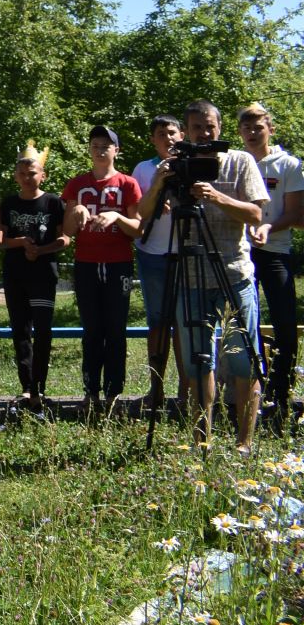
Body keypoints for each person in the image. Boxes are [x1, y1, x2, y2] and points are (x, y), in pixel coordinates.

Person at [134, 101, 269, 451]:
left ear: (219, 127)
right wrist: (160, 182)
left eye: (209, 126)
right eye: (196, 127)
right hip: (190, 276)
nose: (203, 133)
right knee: (197, 363)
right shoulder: (176, 165)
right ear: (187, 131)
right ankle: (201, 441)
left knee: (243, 361)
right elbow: (143, 214)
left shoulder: (240, 162)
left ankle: (244, 442)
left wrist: (216, 196)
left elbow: (256, 214)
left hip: (233, 272)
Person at [61, 126, 142, 414]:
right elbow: (67, 231)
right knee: (92, 330)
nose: (100, 149)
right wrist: (76, 211)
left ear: (116, 150)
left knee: (115, 329)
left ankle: (114, 394)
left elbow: (138, 229)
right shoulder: (77, 184)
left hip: (118, 263)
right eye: (95, 144)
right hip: (86, 264)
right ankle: (90, 392)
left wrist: (116, 216)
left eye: (106, 145)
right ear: (89, 149)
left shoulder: (127, 184)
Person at [0, 142, 72, 416]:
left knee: (43, 331)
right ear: (16, 176)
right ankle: (26, 386)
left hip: (43, 275)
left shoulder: (53, 202)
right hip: (15, 275)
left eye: (33, 173)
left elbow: (65, 238)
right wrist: (20, 243)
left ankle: (40, 387)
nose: (28, 178)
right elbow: (0, 240)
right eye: (23, 173)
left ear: (43, 175)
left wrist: (41, 249)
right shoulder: (9, 203)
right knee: (21, 332)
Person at [239, 102, 304, 419]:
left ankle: (280, 395)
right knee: (238, 326)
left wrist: (266, 226)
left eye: (258, 127)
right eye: (246, 128)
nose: (252, 133)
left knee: (285, 325)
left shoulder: (288, 164)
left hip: (275, 251)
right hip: (238, 253)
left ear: (270, 129)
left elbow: (296, 214)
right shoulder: (233, 163)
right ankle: (243, 392)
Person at [129, 115, 189, 411]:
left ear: (183, 135)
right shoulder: (143, 168)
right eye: (161, 134)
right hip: (153, 253)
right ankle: (157, 390)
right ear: (153, 139)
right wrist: (157, 185)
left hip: (188, 252)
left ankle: (186, 392)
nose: (168, 138)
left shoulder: (195, 164)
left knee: (185, 324)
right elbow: (140, 212)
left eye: (173, 132)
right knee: (158, 323)